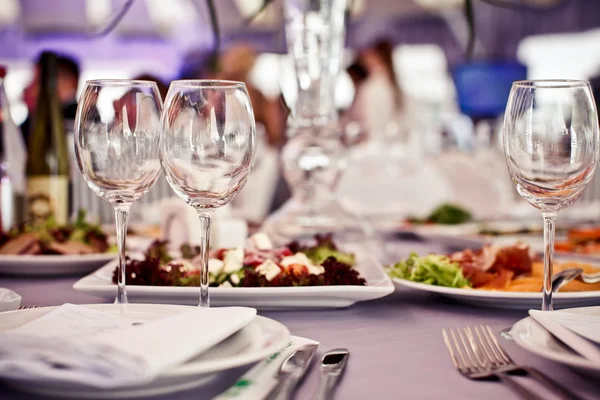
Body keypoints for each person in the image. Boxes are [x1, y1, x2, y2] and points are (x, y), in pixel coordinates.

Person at [347, 39, 403, 143]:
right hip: (387, 144)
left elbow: (363, 121)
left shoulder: (370, 88)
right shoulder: (393, 87)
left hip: (371, 144)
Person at [21, 52, 80, 147]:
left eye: (38, 81)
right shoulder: (32, 122)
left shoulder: (76, 122)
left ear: (70, 84)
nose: (27, 88)